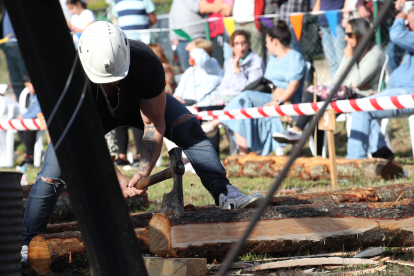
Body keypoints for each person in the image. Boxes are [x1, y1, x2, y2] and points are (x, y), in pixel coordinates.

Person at [21, 22, 264, 262]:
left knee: (188, 126)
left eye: (117, 78)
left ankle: (225, 193)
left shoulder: (146, 62)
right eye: (104, 81)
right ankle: (29, 242)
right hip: (87, 121)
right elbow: (84, 139)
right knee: (51, 173)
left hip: (140, 107)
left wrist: (142, 172)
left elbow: (153, 124)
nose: (112, 85)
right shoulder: (68, 76)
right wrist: (116, 178)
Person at [273, 18, 387, 157]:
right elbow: (338, 78)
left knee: (318, 97)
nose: (345, 38)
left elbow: (356, 83)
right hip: (346, 95)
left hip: (364, 97)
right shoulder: (353, 51)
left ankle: (298, 130)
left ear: (360, 34)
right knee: (318, 108)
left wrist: (350, 60)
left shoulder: (375, 53)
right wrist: (348, 60)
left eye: (349, 34)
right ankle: (318, 155)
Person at [202, 20, 306, 156]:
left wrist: (278, 102)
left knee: (244, 97)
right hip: (268, 96)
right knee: (240, 103)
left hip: (284, 100)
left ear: (275, 42)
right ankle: (244, 155)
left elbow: (294, 85)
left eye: (267, 42)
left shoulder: (294, 57)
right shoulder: (274, 59)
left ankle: (215, 123)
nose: (266, 45)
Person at [346, 8, 414, 159]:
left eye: (408, 23)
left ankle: (355, 162)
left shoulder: (377, 52)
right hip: (400, 92)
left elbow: (396, 34)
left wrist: (400, 14)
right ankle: (383, 154)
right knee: (365, 104)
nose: (407, 27)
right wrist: (383, 95)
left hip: (409, 95)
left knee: (362, 107)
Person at [208, 30, 266, 106]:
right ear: (231, 46)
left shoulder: (256, 62)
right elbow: (224, 86)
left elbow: (250, 90)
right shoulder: (231, 62)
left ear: (248, 44)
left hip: (248, 102)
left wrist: (237, 70)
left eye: (243, 43)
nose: (241, 48)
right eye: (237, 44)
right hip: (231, 100)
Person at [169, 0, 229, 70]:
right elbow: (172, 16)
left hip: (200, 39)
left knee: (204, 67)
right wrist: (173, 36)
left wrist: (221, 6)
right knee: (188, 70)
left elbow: (200, 7)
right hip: (181, 39)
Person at [173, 38, 223, 106]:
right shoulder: (189, 71)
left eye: (192, 51)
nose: (190, 53)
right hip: (186, 104)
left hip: (203, 105)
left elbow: (201, 59)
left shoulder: (212, 64)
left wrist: (193, 47)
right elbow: (179, 90)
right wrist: (178, 98)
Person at [313, 0, 347, 77]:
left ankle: (344, 83)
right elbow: (318, 4)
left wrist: (346, 16)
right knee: (331, 61)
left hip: (337, 21)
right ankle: (335, 84)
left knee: (341, 58)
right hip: (323, 23)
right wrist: (315, 25)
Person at [0, 10, 28, 99]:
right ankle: (20, 102)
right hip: (8, 49)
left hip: (18, 47)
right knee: (15, 79)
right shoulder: (5, 10)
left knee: (25, 77)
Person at [16, 76, 42, 167]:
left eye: (28, 86)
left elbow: (39, 110)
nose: (28, 89)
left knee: (29, 129)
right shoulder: (32, 96)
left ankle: (29, 156)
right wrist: (23, 116)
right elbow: (31, 109)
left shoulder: (40, 94)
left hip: (40, 120)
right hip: (32, 120)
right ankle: (29, 153)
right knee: (20, 129)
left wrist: (25, 117)